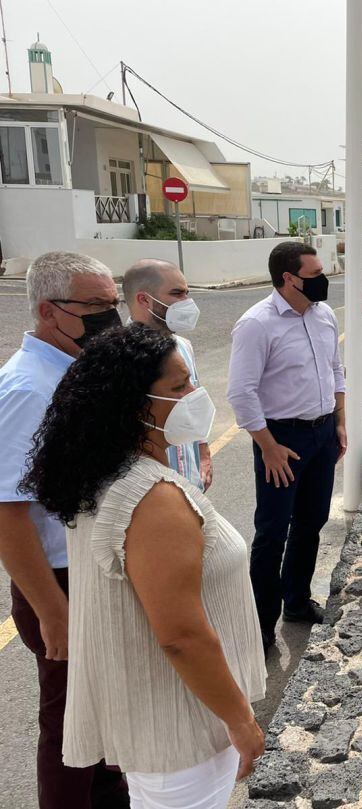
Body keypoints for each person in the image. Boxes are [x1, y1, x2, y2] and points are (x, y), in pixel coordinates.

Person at [20, 325, 265, 808]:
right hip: (181, 723)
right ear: (134, 405)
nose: (197, 395)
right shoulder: (151, 498)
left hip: (159, 713)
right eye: (179, 387)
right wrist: (241, 720)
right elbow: (181, 635)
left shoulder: (106, 473)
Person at [0, 251, 127, 809]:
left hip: (95, 570)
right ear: (49, 312)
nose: (111, 317)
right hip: (62, 581)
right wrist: (52, 609)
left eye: (114, 303)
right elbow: (7, 511)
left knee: (99, 713)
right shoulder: (29, 390)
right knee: (71, 722)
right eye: (97, 306)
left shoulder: (73, 372)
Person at [227, 242, 346, 653]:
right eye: (314, 274)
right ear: (288, 279)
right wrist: (268, 447)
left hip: (322, 433)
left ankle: (297, 602)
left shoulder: (324, 315)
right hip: (281, 439)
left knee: (311, 523)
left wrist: (339, 424)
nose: (323, 280)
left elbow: (335, 369)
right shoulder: (256, 324)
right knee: (272, 532)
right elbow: (241, 393)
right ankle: (260, 624)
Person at [123, 259, 212, 490]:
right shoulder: (119, 356)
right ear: (144, 300)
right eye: (177, 294)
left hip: (190, 482)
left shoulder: (183, 346)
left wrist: (204, 454)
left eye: (187, 293)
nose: (187, 302)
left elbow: (193, 406)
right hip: (151, 489)